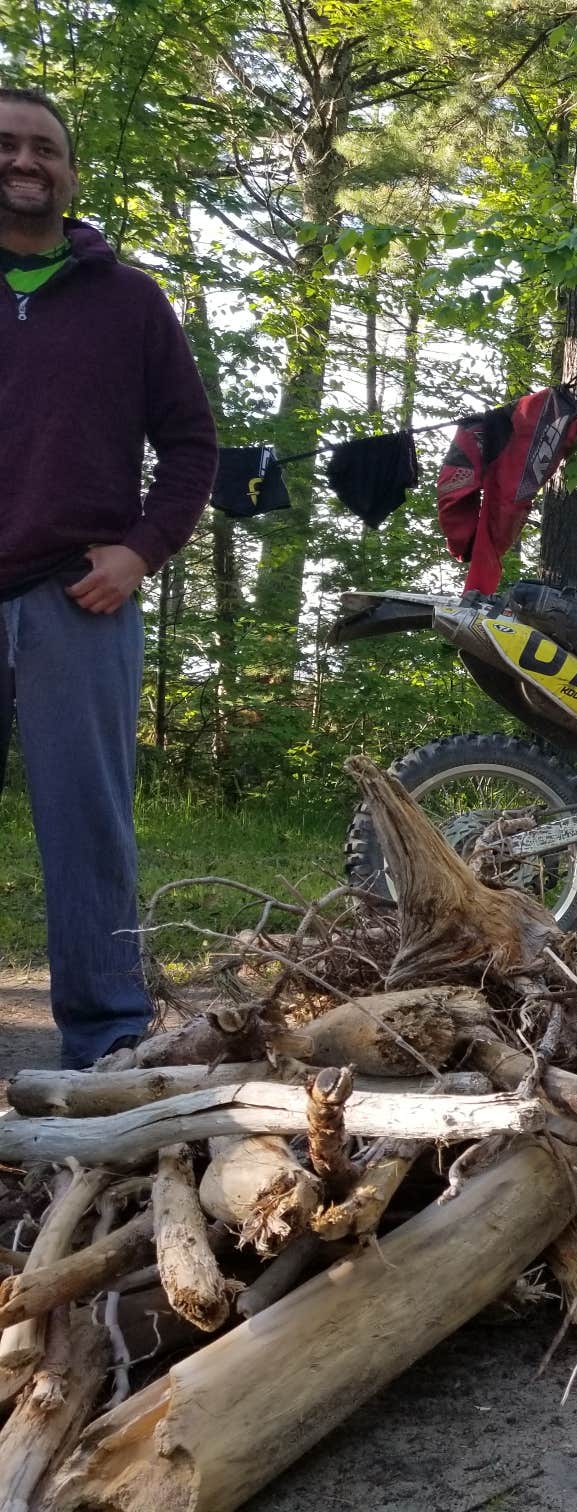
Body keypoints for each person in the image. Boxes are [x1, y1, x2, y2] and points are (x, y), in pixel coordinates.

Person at [0, 88, 218, 1067]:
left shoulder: (131, 302)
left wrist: (141, 551)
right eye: (7, 144)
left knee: (89, 833)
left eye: (45, 147)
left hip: (77, 603)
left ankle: (107, 1042)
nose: (26, 160)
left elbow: (190, 444)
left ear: (71, 173)